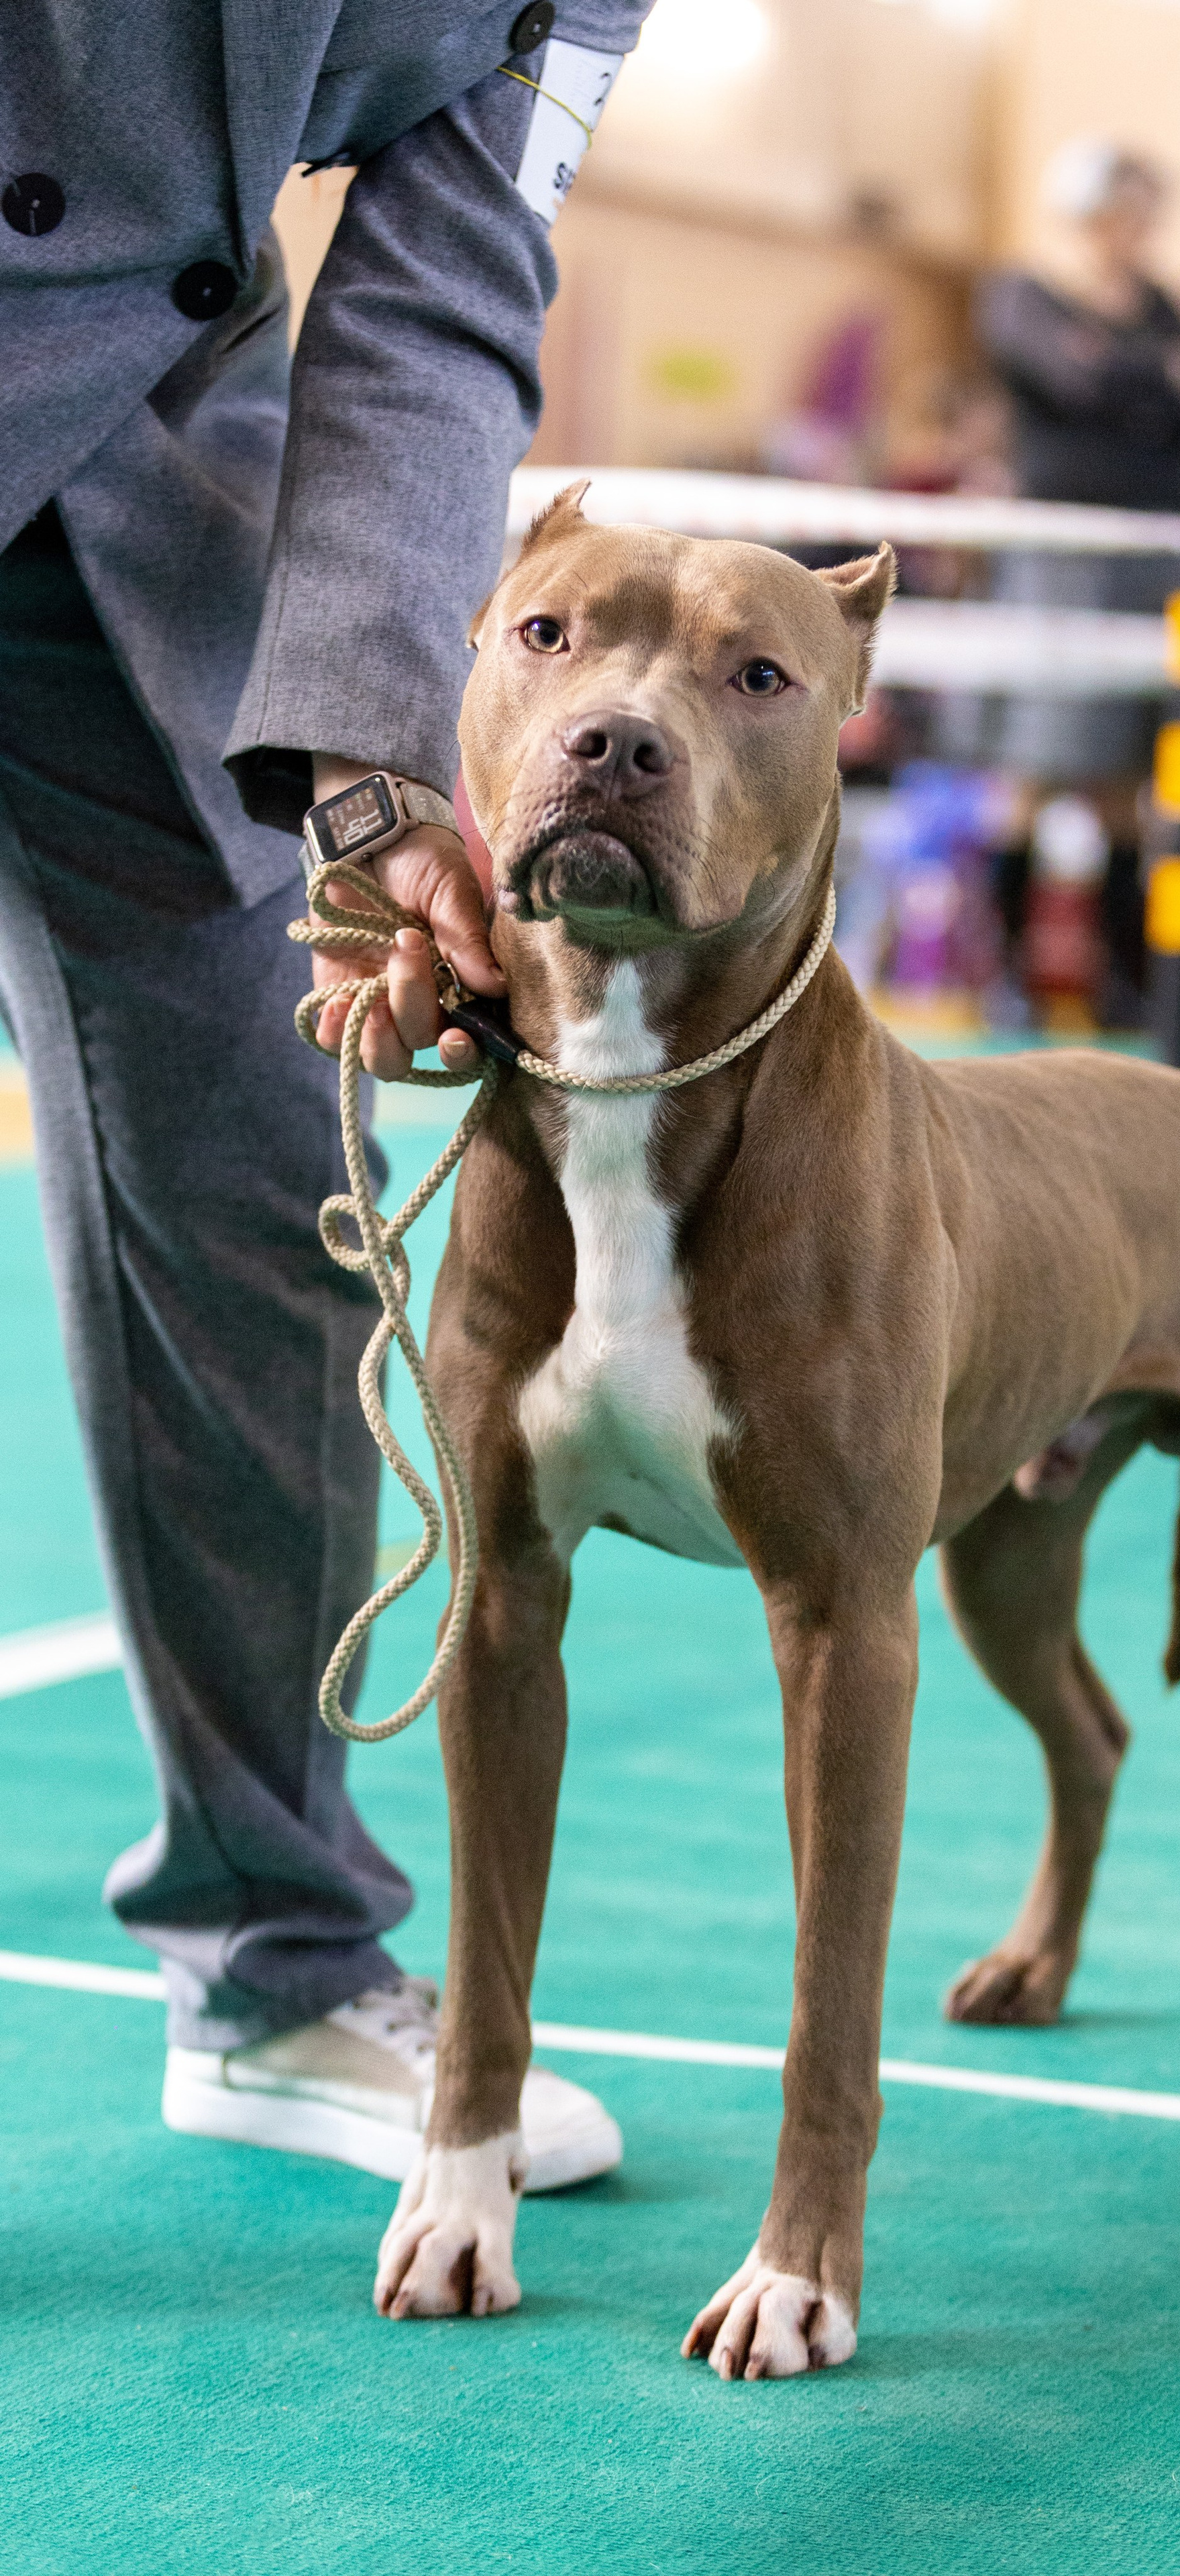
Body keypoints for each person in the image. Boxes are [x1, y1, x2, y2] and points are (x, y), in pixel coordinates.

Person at [0, 1, 651, 2186]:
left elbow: (445, 290)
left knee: (264, 1171)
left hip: (122, 482)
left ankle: (276, 1966)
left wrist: (373, 754)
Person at [977, 139, 1180, 1021]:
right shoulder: (1025, 293)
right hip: (1058, 550)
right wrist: (1154, 379)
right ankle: (1010, 974)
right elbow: (1071, 381)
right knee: (1035, 768)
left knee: (1128, 775)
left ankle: (1118, 978)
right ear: (1084, 213)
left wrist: (1130, 376)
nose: (1136, 229)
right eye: (1121, 208)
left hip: (1144, 552)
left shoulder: (1161, 305)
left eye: (1147, 211)